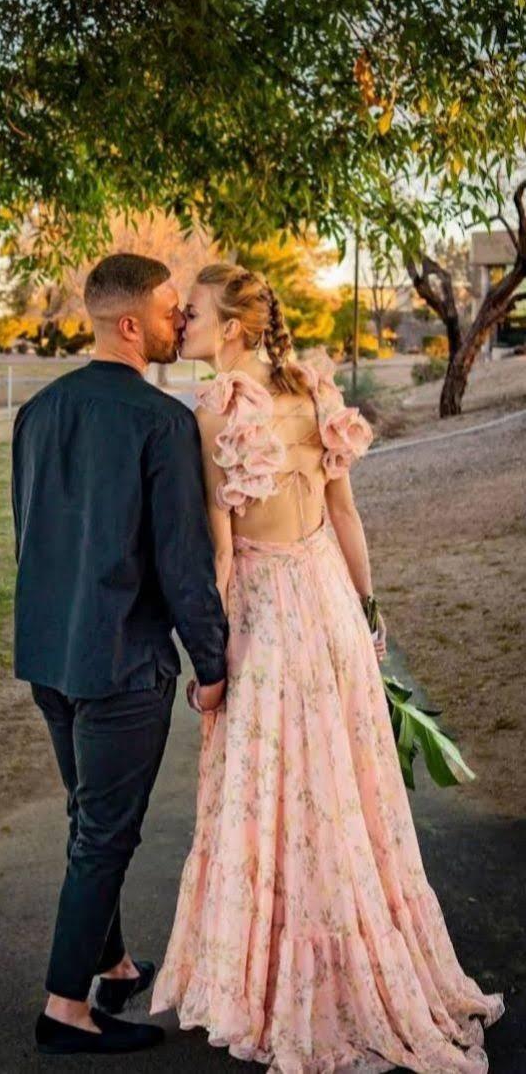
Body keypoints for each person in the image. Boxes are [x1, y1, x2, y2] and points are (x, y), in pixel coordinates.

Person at [150, 263, 505, 1073]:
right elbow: (345, 514)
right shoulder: (313, 388)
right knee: (340, 787)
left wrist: (216, 650)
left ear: (230, 329)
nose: (183, 324)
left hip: (272, 615)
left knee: (270, 786)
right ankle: (354, 959)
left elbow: (222, 554)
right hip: (330, 603)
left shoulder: (213, 410)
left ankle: (279, 980)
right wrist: (368, 612)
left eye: (194, 313)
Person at [11, 253, 229, 1056]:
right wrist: (212, 664)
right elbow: (182, 562)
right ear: (130, 323)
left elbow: (28, 533)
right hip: (121, 665)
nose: (181, 321)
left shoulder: (36, 411)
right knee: (104, 834)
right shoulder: (160, 421)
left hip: (49, 655)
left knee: (88, 818)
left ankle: (113, 961)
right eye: (172, 309)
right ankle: (65, 1009)